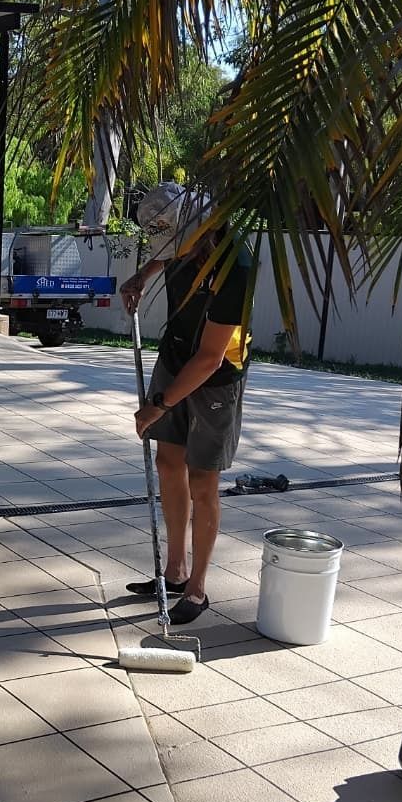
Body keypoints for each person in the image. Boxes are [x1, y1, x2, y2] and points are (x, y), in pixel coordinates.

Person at [119, 181, 253, 624]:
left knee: (202, 480)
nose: (170, 250)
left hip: (216, 374)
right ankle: (173, 572)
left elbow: (212, 357)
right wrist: (143, 275)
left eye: (177, 242)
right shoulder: (180, 243)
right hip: (176, 356)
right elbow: (165, 250)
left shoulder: (235, 263)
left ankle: (196, 589)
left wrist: (158, 404)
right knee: (167, 464)